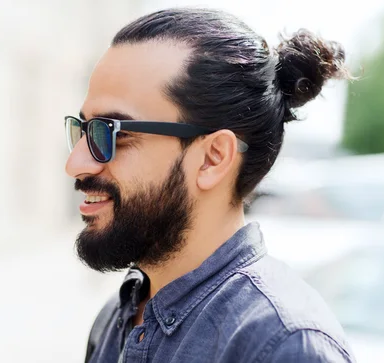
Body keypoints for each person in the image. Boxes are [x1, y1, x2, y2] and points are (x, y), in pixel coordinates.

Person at [64, 7, 356, 363]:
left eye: (111, 134)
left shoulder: (284, 346)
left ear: (213, 158)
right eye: (83, 130)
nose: (76, 164)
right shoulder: (117, 316)